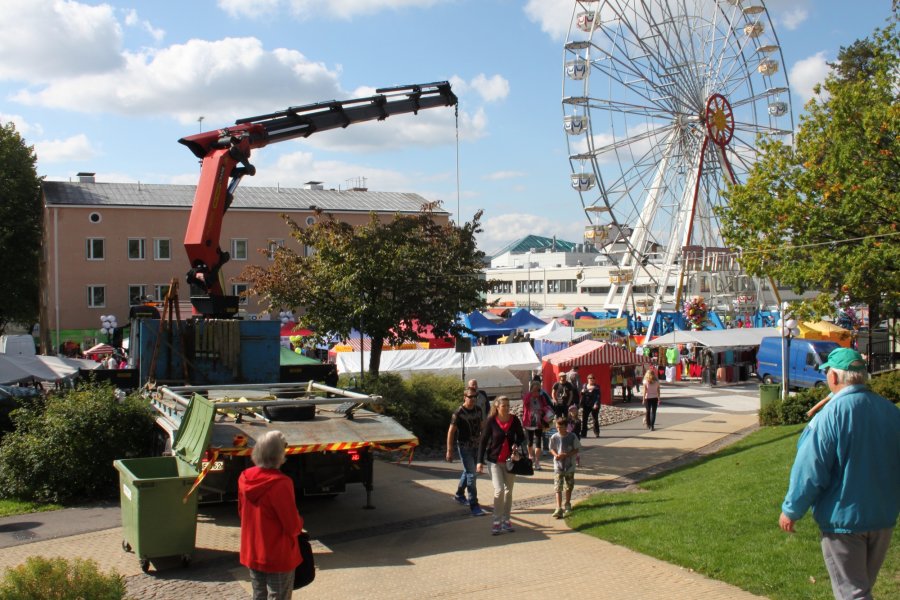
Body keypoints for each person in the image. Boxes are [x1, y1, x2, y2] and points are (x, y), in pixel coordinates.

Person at [779, 348, 900, 600]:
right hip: (882, 517)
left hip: (843, 521)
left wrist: (791, 510)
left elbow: (810, 469)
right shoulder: (890, 412)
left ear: (833, 377)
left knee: (853, 594)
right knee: (861, 589)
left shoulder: (830, 416)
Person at [238, 430, 304, 600]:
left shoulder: (244, 477)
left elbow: (241, 512)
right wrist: (300, 522)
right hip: (277, 553)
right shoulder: (281, 483)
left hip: (253, 550)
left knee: (258, 595)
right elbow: (292, 526)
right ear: (279, 454)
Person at [477, 396, 526, 536]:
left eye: (508, 405)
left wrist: (516, 443)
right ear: (497, 407)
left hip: (510, 462)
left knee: (508, 491)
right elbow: (483, 441)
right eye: (504, 405)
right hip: (494, 461)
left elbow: (521, 436)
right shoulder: (491, 421)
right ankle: (496, 521)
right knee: (499, 490)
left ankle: (506, 520)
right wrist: (479, 461)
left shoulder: (514, 420)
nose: (506, 408)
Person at [446, 387, 487, 516]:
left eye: (475, 397)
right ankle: (474, 505)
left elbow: (482, 426)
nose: (473, 399)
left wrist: (483, 440)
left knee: (468, 471)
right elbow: (451, 431)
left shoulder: (478, 410)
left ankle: (459, 494)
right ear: (464, 397)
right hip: (464, 447)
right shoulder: (458, 413)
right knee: (471, 475)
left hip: (476, 446)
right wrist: (449, 450)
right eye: (470, 397)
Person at [550, 415, 580, 519]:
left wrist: (567, 455)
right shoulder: (554, 437)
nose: (559, 429)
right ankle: (558, 507)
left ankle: (567, 503)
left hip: (569, 466)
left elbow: (577, 449)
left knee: (569, 485)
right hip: (558, 466)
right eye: (557, 427)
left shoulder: (572, 436)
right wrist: (556, 455)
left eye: (561, 427)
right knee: (558, 487)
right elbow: (552, 448)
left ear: (566, 427)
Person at [521, 380, 551, 471]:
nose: (536, 392)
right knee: (530, 441)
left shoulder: (541, 397)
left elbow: (546, 405)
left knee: (538, 441)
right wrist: (531, 394)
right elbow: (525, 403)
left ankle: (537, 461)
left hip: (539, 422)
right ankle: (531, 457)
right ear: (531, 389)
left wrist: (543, 411)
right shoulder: (528, 396)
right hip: (529, 422)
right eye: (534, 390)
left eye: (538, 390)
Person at [579, 373, 601, 438]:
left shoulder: (597, 387)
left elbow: (598, 396)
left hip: (594, 405)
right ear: (588, 379)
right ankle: (583, 433)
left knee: (595, 419)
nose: (592, 379)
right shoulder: (585, 386)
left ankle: (596, 432)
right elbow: (582, 394)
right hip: (586, 404)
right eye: (590, 378)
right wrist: (582, 392)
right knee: (584, 419)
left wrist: (596, 403)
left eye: (593, 378)